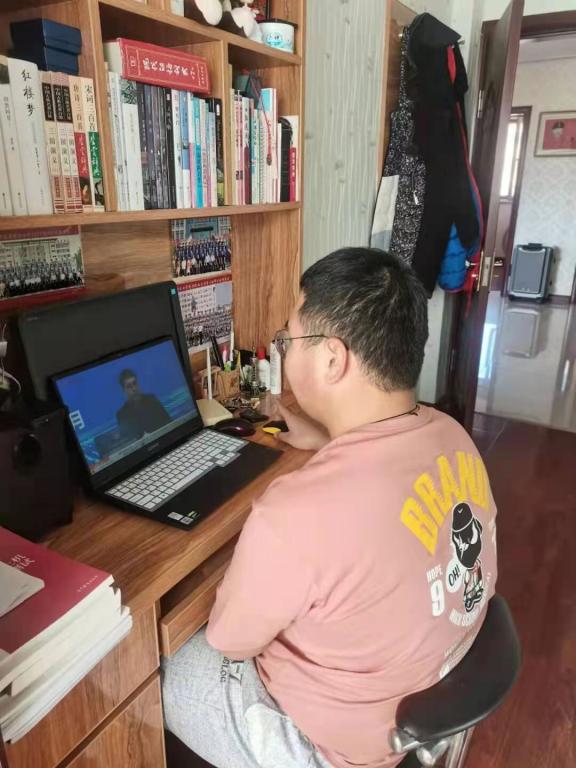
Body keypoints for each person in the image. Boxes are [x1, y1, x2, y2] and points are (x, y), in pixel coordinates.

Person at [162, 248, 498, 768]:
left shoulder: (294, 514)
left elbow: (229, 640)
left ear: (332, 359)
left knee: (167, 664)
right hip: (435, 684)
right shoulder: (453, 434)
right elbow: (390, 489)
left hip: (341, 749)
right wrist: (327, 440)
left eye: (287, 338)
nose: (283, 349)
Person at [116, 369, 171, 440]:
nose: (134, 388)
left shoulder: (151, 399)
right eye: (129, 386)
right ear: (124, 390)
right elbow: (128, 441)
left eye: (135, 383)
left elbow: (169, 422)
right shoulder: (122, 415)